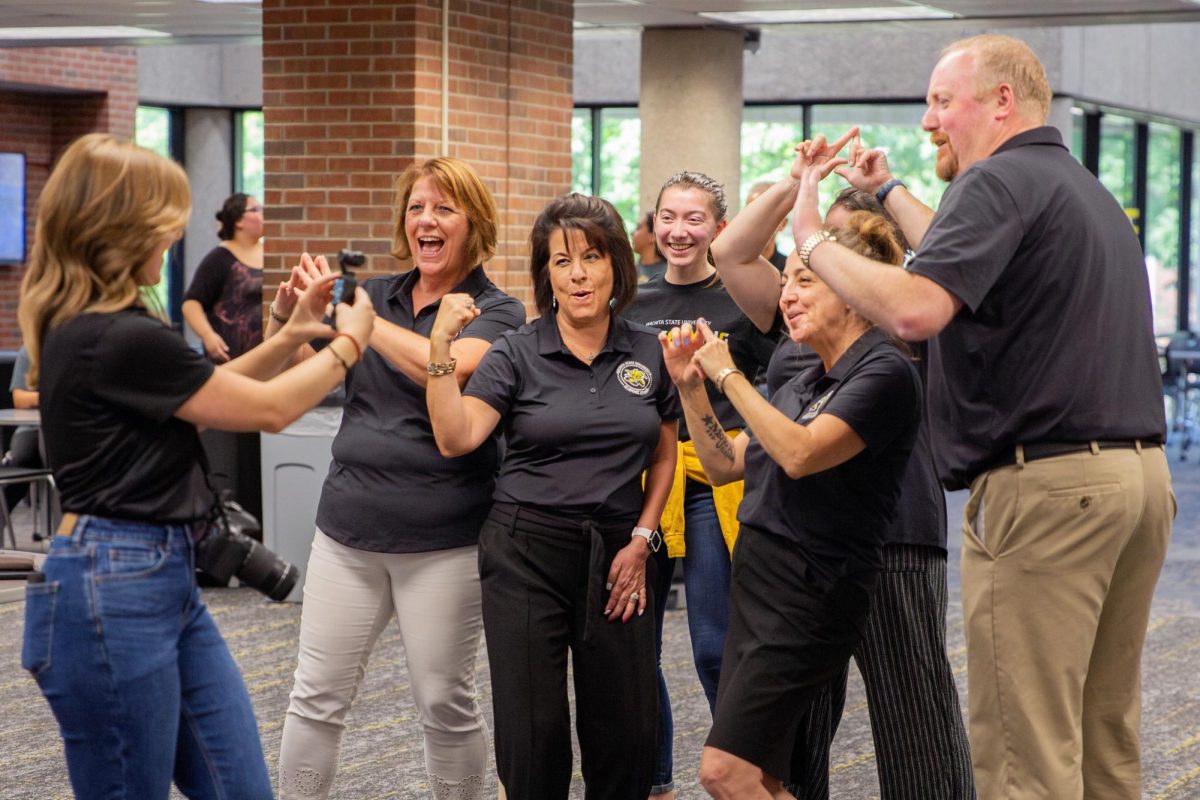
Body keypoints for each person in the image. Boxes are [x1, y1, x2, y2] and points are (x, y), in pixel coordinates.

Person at [796, 34, 1174, 799]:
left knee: (1024, 753)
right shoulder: (1075, 186)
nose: (929, 120)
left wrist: (812, 245)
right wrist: (890, 188)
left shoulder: (995, 182)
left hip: (1049, 495)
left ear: (1002, 101)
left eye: (942, 101)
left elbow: (917, 308)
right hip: (1136, 486)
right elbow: (959, 257)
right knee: (1104, 742)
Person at [17, 132, 375, 800]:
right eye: (164, 225)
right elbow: (267, 411)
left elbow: (209, 400)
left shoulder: (109, 327)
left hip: (158, 575)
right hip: (114, 583)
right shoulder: (115, 336)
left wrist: (295, 334)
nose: (174, 238)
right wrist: (352, 342)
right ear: (120, 231)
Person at [659, 154, 921, 799]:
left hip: (811, 591)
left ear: (852, 289)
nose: (788, 295)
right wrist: (692, 391)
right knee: (761, 775)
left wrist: (727, 376)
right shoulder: (806, 376)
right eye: (788, 283)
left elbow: (801, 453)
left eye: (805, 281)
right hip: (762, 579)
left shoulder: (885, 370)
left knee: (724, 773)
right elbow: (725, 463)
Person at [711, 158, 973, 799]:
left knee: (914, 722)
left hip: (894, 534)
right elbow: (729, 251)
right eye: (809, 251)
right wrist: (801, 182)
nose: (816, 262)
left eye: (832, 250)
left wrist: (885, 187)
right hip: (800, 548)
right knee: (792, 738)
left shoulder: (904, 321)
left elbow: (951, 254)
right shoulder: (796, 320)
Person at [275, 157, 525, 800]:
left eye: (444, 208)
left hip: (444, 540)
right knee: (316, 696)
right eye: (417, 208)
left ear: (475, 224)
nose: (426, 220)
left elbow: (450, 369)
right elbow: (309, 374)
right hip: (348, 531)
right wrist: (292, 320)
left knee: (444, 701)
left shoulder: (495, 311)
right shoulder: (377, 294)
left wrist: (359, 321)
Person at [426, 193, 679, 799]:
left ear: (616, 263)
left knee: (625, 731)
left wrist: (643, 540)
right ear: (546, 273)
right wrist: (439, 352)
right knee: (532, 733)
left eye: (591, 257)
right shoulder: (516, 351)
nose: (578, 274)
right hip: (524, 552)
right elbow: (457, 436)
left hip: (622, 555)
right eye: (562, 261)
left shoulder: (648, 351)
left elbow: (664, 455)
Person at [623, 171, 779, 799]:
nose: (678, 231)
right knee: (636, 648)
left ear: (719, 227)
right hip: (647, 481)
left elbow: (781, 383)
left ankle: (740, 775)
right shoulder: (631, 302)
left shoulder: (742, 296)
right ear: (653, 224)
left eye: (694, 219)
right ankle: (655, 783)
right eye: (668, 217)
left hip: (721, 480)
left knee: (715, 645)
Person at [183, 192, 265, 363]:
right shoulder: (220, 258)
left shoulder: (271, 255)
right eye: (256, 209)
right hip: (229, 358)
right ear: (239, 221)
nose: (263, 214)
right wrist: (208, 336)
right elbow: (191, 303)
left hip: (263, 357)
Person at [3, 345, 43, 514]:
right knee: (24, 457)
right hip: (32, 427)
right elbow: (19, 398)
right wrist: (51, 394)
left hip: (71, 428)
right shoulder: (31, 349)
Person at [742, 181, 788, 271]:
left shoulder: (788, 270)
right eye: (751, 212)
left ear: (783, 224)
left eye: (767, 214)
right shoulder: (725, 266)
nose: (757, 221)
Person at [633, 211, 667, 283]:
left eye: (638, 228)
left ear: (653, 236)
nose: (632, 233)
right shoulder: (632, 270)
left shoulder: (668, 274)